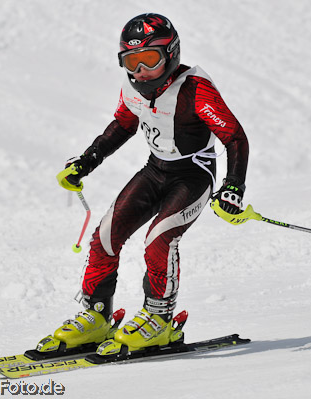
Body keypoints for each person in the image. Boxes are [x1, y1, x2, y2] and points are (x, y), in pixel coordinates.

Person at [51, 13, 249, 353]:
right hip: (155, 170)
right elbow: (123, 125)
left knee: (158, 241)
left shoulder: (195, 88)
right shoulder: (132, 87)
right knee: (104, 236)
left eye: (149, 59)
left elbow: (234, 137)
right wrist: (87, 160)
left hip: (193, 176)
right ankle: (97, 316)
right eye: (131, 61)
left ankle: (160, 320)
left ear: (171, 54)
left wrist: (233, 186)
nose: (140, 71)